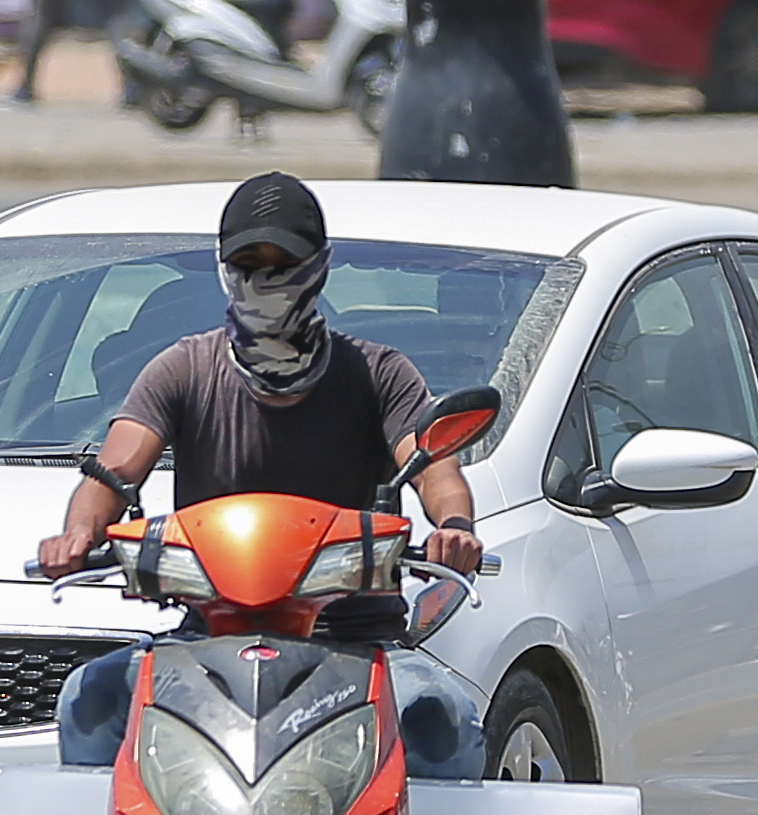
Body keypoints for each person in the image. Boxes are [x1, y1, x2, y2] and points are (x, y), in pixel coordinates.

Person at [29, 172, 485, 579]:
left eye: (284, 267)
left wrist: (455, 529)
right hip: (210, 624)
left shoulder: (379, 374)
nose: (265, 282)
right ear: (224, 269)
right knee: (97, 680)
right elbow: (113, 472)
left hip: (353, 627)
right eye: (248, 267)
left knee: (425, 679)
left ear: (319, 266)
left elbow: (435, 474)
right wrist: (79, 534)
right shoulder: (184, 369)